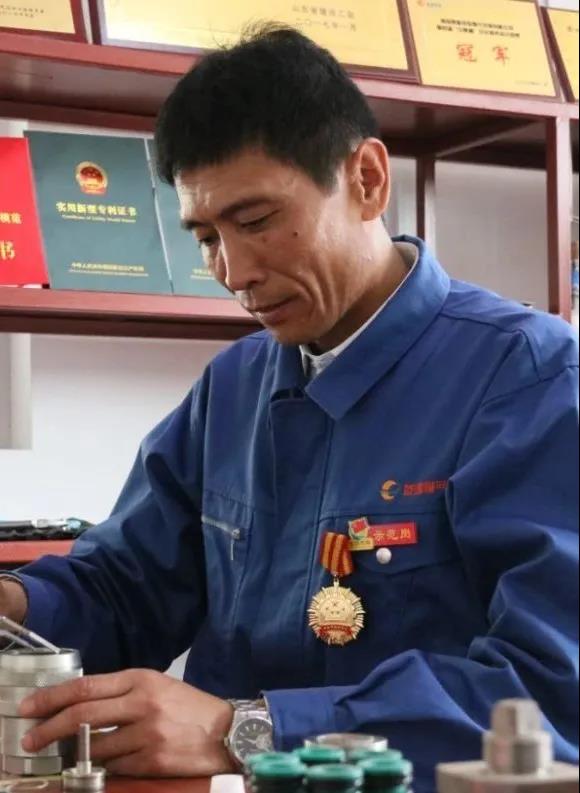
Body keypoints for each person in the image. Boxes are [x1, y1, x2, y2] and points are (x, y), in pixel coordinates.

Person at [1, 25, 578, 792]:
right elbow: (126, 588)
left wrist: (246, 728)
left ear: (367, 178)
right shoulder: (233, 385)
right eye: (205, 236)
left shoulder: (531, 376)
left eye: (256, 221)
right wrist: (14, 604)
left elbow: (549, 689)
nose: (233, 271)